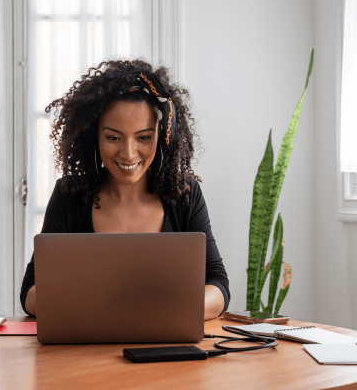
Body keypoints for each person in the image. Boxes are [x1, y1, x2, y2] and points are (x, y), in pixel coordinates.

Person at [20, 59, 230, 320]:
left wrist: (167, 310)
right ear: (93, 136)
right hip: (85, 355)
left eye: (143, 137)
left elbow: (218, 285)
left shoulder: (185, 194)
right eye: (113, 137)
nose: (128, 154)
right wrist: (110, 308)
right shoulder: (69, 194)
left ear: (164, 135)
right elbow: (31, 293)